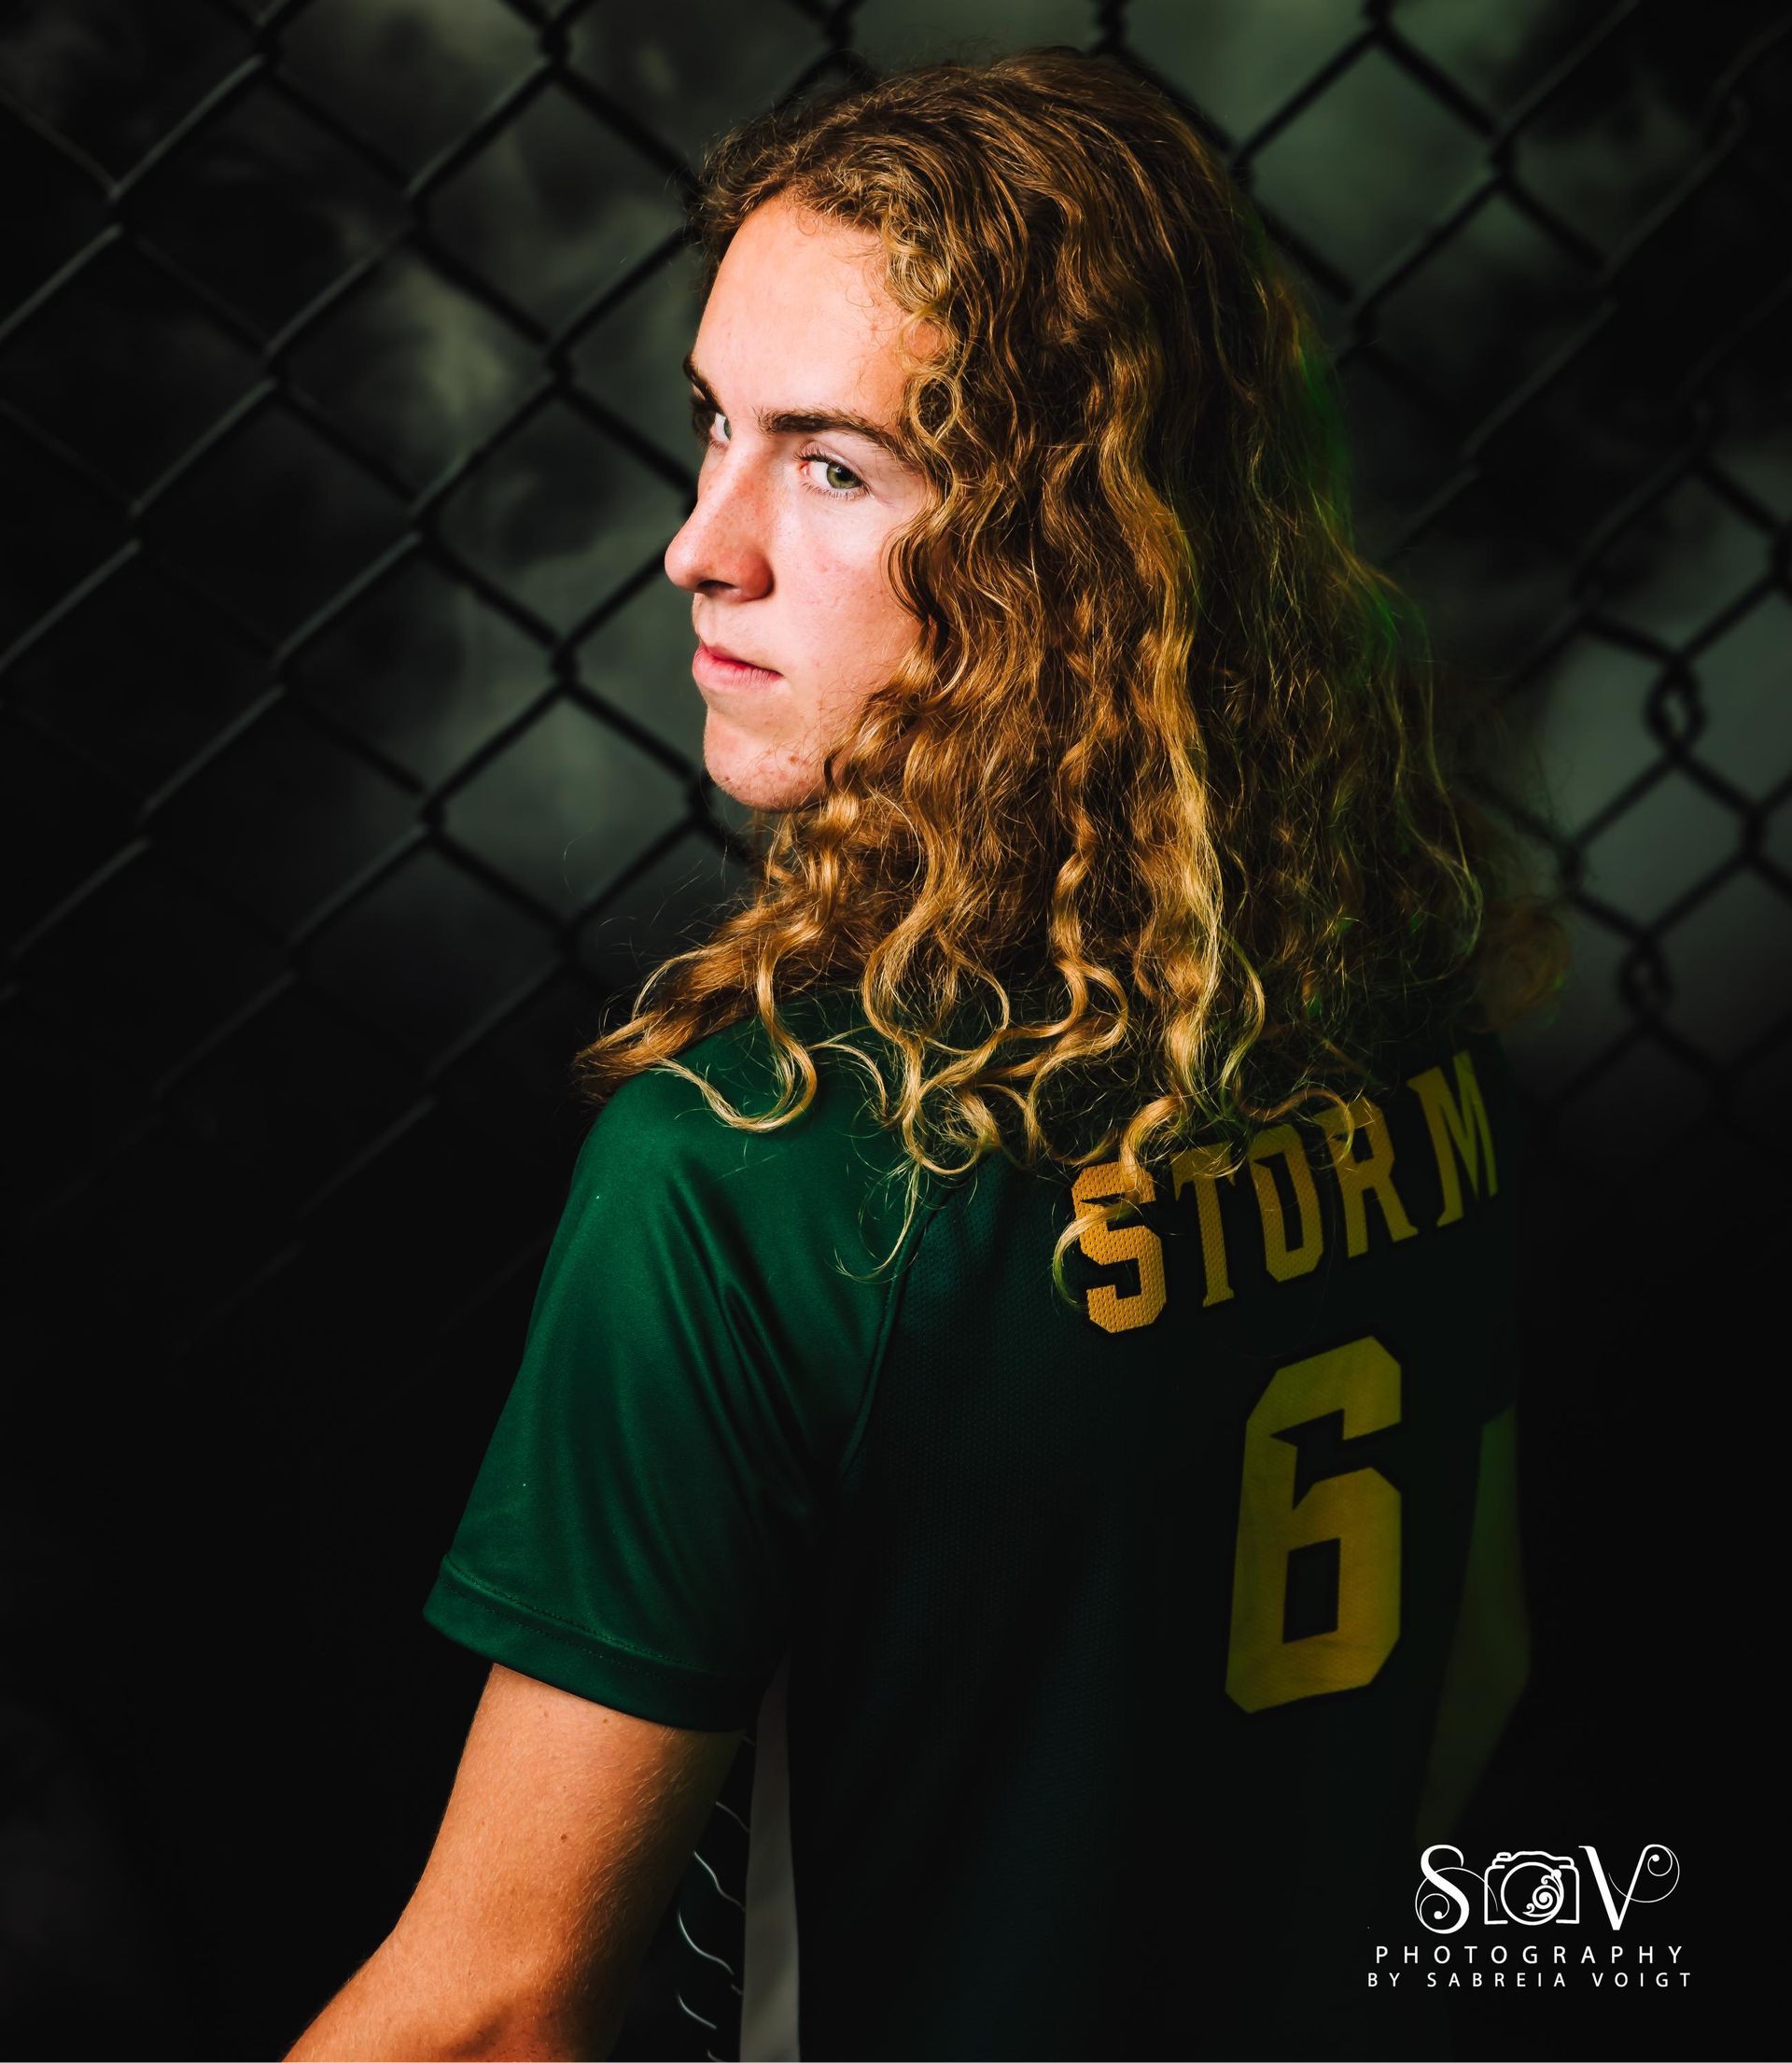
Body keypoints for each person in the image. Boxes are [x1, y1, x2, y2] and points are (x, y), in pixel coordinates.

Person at [284, 45, 1568, 2063]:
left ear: (1078, 555)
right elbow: (1470, 1676)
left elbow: (503, 2010)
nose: (698, 549)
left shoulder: (748, 1168)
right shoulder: (1409, 1014)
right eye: (712, 429)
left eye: (834, 465)